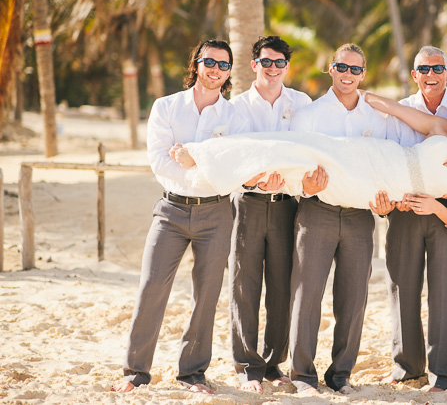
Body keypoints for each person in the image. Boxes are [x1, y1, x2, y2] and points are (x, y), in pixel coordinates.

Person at [112, 39, 247, 394]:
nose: (215, 69)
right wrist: (201, 170)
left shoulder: (235, 117)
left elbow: (233, 166)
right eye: (209, 62)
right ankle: (135, 372)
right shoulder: (166, 107)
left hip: (217, 213)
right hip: (170, 210)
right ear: (196, 64)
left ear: (230, 72)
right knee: (151, 287)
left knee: (207, 294)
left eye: (223, 64)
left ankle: (192, 374)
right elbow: (160, 160)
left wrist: (194, 158)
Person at [287, 43, 390, 396]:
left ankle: (340, 375)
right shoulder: (310, 116)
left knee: (353, 298)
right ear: (330, 69)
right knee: (307, 295)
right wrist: (304, 183)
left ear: (364, 73)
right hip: (317, 212)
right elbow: (293, 164)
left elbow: (383, 165)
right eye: (341, 68)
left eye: (355, 70)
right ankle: (302, 376)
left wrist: (385, 201)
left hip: (361, 217)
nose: (348, 75)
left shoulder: (376, 118)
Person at [379, 46, 447, 392]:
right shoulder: (398, 112)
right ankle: (407, 367)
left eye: (438, 68)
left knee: (446, 294)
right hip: (403, 213)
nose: (431, 74)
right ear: (414, 75)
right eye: (424, 69)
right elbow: (387, 161)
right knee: (402, 288)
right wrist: (390, 202)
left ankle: (443, 374)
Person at [227, 36, 311, 394]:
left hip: (287, 205)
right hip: (246, 201)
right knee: (244, 285)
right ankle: (247, 366)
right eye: (266, 61)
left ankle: (275, 363)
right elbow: (233, 153)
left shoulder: (303, 104)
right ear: (254, 64)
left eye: (279, 62)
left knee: (282, 285)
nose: (272, 68)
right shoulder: (236, 106)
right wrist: (259, 177)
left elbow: (308, 151)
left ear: (287, 67)